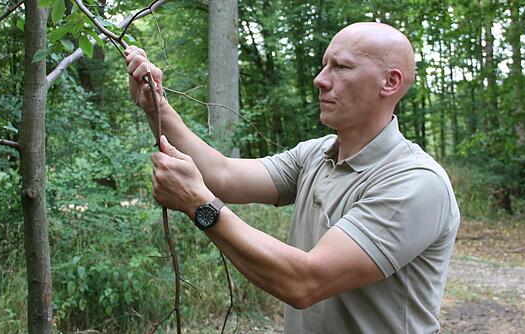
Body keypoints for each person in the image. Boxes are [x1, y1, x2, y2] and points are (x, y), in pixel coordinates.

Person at [124, 22, 460, 333]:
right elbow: (222, 175)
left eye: (340, 67)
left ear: (390, 82)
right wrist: (157, 108)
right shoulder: (315, 154)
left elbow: (305, 282)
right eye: (325, 64)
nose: (320, 79)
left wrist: (200, 206)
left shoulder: (415, 181)